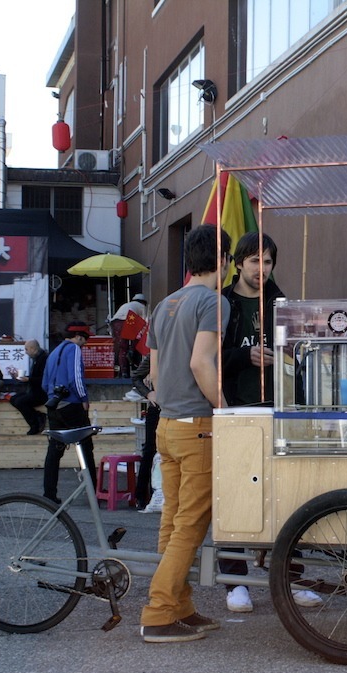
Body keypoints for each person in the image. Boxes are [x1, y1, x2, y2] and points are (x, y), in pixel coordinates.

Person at [217, 231, 322, 613]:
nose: (262, 269)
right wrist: (244, 358)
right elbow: (209, 356)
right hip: (234, 408)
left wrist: (286, 357)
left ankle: (292, 577)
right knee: (234, 493)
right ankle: (234, 580)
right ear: (239, 263)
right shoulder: (223, 303)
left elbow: (302, 351)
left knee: (287, 495)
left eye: (268, 261)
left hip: (279, 407)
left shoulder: (281, 302)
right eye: (254, 261)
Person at [138, 223, 230, 644]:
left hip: (166, 426)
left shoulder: (164, 305)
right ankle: (158, 612)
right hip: (199, 428)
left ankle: (179, 607)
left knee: (173, 522)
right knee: (191, 525)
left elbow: (155, 376)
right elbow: (201, 363)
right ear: (223, 261)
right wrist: (226, 410)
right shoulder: (214, 302)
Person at [40, 322, 96, 504]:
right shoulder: (74, 349)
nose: (85, 343)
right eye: (85, 338)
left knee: (54, 452)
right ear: (78, 336)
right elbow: (76, 377)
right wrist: (84, 398)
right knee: (86, 447)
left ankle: (49, 494)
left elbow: (44, 382)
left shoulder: (54, 352)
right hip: (72, 404)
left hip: (53, 405)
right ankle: (92, 492)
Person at [130, 355, 160, 511]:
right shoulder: (156, 351)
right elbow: (136, 377)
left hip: (181, 407)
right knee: (150, 450)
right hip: (158, 407)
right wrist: (149, 394)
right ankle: (141, 495)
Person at [9, 339, 48, 435]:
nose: (26, 352)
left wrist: (28, 380)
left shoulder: (43, 359)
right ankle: (38, 416)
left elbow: (44, 379)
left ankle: (34, 425)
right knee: (13, 399)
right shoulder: (36, 359)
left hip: (42, 392)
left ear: (33, 349)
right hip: (34, 390)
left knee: (20, 402)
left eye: (26, 349)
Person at [109, 293, 147, 378]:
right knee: (127, 347)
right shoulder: (142, 306)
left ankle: (121, 372)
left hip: (115, 323)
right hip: (126, 321)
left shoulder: (126, 305)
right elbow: (144, 323)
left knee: (120, 348)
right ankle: (130, 356)